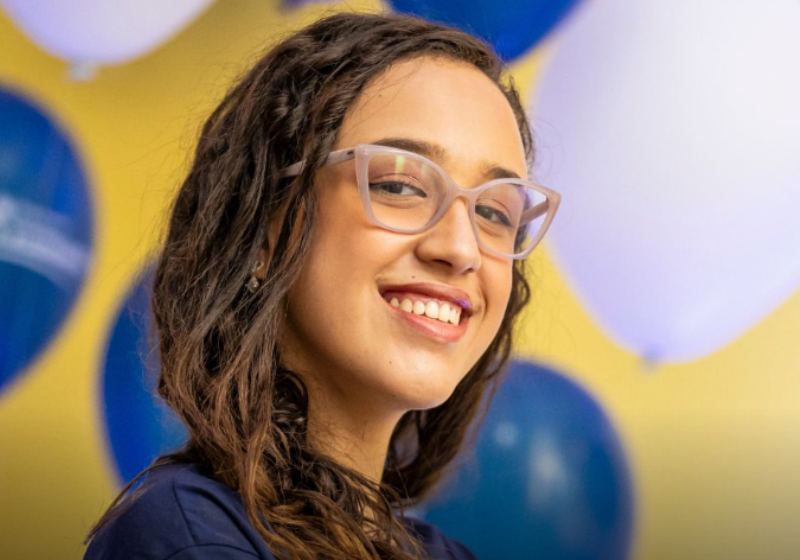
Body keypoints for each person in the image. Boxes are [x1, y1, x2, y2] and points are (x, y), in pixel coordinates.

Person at [83, 10, 560, 560]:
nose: (460, 247)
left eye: (497, 212)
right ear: (266, 227)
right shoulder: (186, 535)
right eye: (400, 185)